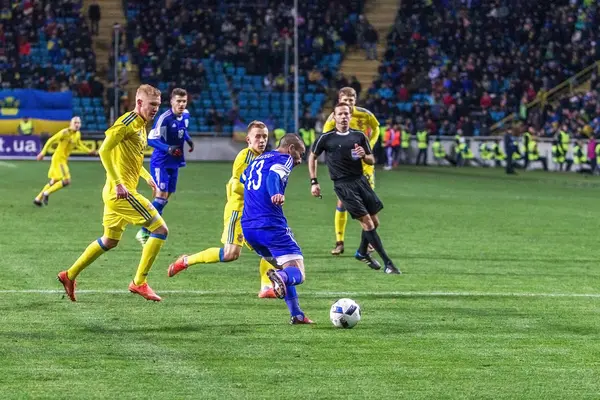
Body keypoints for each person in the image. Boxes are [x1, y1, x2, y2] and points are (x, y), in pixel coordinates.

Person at [57, 84, 167, 302]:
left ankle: (69, 275)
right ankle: (139, 282)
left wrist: (146, 176)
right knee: (160, 229)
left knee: (109, 240)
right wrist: (118, 183)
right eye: (152, 105)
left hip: (117, 193)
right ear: (139, 103)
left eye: (158, 105)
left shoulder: (141, 125)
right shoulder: (127, 123)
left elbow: (132, 157)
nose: (155, 109)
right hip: (122, 193)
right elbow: (104, 150)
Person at [167, 121, 277, 298]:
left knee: (270, 248)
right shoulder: (245, 157)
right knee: (230, 254)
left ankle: (266, 288)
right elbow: (236, 186)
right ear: (248, 139)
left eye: (265, 136)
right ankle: (186, 261)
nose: (262, 140)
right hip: (238, 211)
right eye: (258, 136)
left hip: (255, 213)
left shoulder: (266, 158)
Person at [309, 102, 400, 275]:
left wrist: (364, 156)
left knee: (375, 222)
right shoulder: (326, 138)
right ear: (334, 117)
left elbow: (372, 159)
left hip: (361, 181)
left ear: (350, 116)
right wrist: (314, 181)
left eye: (346, 114)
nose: (344, 117)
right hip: (343, 185)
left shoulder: (359, 136)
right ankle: (388, 263)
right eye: (340, 114)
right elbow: (312, 157)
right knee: (367, 222)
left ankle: (361, 252)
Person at [240, 133, 314, 324]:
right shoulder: (285, 158)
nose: (300, 159)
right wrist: (275, 193)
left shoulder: (258, 160)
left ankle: (297, 314)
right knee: (297, 272)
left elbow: (243, 179)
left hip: (249, 227)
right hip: (270, 225)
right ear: (291, 149)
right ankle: (279, 277)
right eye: (300, 153)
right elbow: (274, 175)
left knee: (285, 267)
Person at [322, 87, 379, 256]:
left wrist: (370, 145)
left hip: (365, 167)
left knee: (369, 206)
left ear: (355, 100)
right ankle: (339, 242)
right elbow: (326, 138)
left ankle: (368, 242)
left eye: (351, 100)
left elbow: (376, 128)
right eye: (345, 100)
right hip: (346, 168)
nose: (348, 103)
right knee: (342, 203)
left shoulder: (365, 114)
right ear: (340, 100)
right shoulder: (334, 118)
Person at [135, 88, 194, 245]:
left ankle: (148, 228)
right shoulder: (164, 119)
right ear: (172, 102)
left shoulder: (186, 115)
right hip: (161, 161)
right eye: (178, 101)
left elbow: (183, 129)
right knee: (161, 197)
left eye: (184, 101)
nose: (181, 104)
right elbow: (151, 140)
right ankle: (144, 230)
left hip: (174, 161)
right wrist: (168, 148)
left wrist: (188, 140)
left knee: (165, 197)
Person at [33, 117, 95, 206]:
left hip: (63, 160)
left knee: (54, 181)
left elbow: (79, 144)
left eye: (79, 123)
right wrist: (43, 153)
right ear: (71, 123)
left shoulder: (77, 134)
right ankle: (46, 193)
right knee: (67, 180)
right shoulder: (64, 132)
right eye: (75, 123)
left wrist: (89, 151)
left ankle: (38, 199)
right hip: (59, 159)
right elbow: (51, 140)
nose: (77, 124)